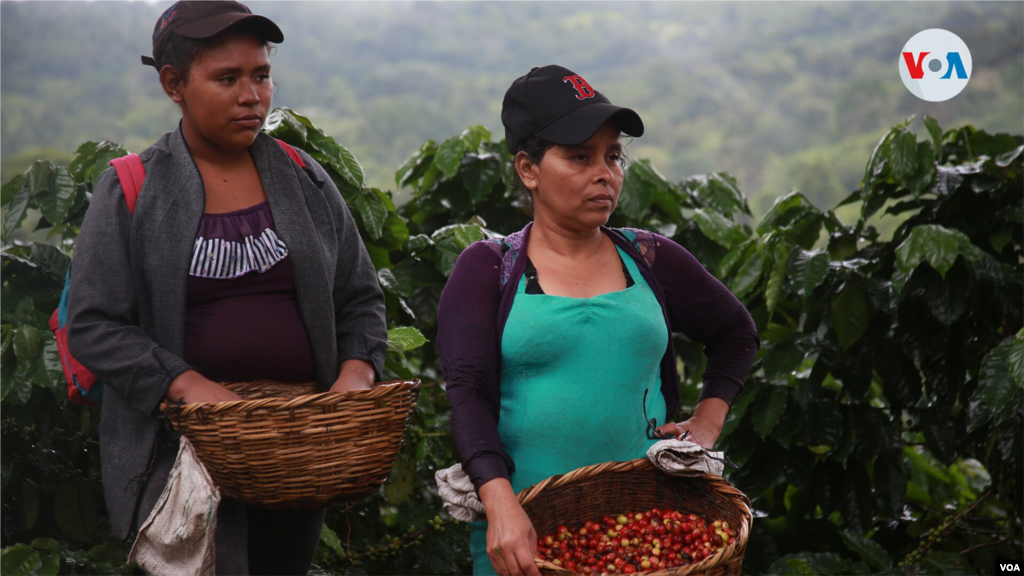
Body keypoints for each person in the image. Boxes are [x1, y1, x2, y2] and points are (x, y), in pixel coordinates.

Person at [66, 1, 387, 574]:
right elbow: (93, 325)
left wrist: (356, 374)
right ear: (174, 84)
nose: (252, 96)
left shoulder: (304, 177)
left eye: (261, 75)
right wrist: (188, 385)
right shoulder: (132, 188)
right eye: (227, 79)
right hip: (184, 457)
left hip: (293, 450)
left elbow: (359, 297)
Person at [436, 65, 760, 576]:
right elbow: (468, 394)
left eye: (613, 156)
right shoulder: (488, 269)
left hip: (652, 528)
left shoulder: (652, 259)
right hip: (527, 533)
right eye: (580, 157)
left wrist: (705, 426)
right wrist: (500, 506)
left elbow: (736, 331)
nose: (604, 173)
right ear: (528, 168)